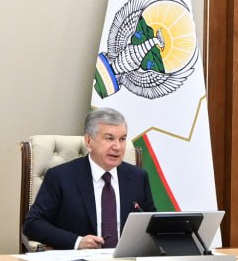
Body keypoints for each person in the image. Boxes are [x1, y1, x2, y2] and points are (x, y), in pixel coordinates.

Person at [23, 107, 156, 250]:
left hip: (127, 260)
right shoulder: (61, 177)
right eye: (109, 138)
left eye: (122, 139)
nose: (117, 147)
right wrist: (77, 242)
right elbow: (33, 224)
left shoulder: (138, 177)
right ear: (88, 141)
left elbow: (153, 224)